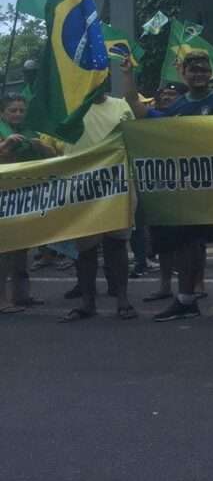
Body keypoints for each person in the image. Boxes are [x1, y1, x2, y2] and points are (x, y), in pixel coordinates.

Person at [124, 50, 213, 324]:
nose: (199, 74)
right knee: (187, 244)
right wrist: (127, 75)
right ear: (184, 73)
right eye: (194, 70)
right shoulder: (177, 108)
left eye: (204, 70)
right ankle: (185, 299)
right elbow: (138, 109)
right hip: (189, 190)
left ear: (210, 72)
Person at [60, 86, 137, 322]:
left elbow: (132, 136)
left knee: (117, 244)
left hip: (117, 182)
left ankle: (122, 299)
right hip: (82, 183)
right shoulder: (71, 107)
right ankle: (87, 302)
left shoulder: (120, 105)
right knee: (85, 249)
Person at [0, 94, 60, 313]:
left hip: (25, 197)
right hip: (3, 197)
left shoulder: (31, 132)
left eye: (20, 110)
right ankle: (2, 299)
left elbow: (53, 154)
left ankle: (22, 294)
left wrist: (40, 146)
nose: (17, 114)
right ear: (3, 113)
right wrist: (5, 145)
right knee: (4, 250)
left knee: (22, 248)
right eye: (12, 110)